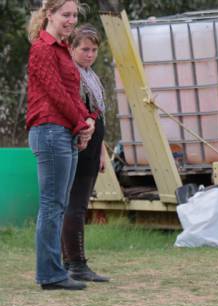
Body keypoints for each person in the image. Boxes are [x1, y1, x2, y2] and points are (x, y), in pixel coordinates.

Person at [27, 0, 96, 290]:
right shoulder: (42, 49)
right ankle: (50, 274)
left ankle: (53, 271)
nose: (71, 20)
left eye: (74, 15)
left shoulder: (63, 50)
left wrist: (87, 122)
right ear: (49, 15)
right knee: (52, 205)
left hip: (64, 131)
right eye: (65, 14)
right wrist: (81, 124)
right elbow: (55, 94)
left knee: (58, 204)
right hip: (50, 130)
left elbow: (72, 93)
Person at [61, 24, 110, 283]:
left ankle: (70, 260)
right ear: (71, 48)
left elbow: (98, 114)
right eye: (84, 49)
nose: (89, 54)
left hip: (94, 144)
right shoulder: (73, 75)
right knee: (75, 204)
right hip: (80, 142)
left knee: (79, 203)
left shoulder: (92, 75)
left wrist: (102, 151)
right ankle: (75, 263)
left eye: (93, 49)